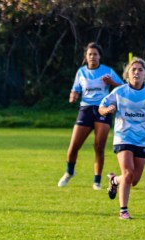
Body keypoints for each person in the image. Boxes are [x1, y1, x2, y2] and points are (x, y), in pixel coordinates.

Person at [98, 57, 145, 220]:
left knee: (133, 180)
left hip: (142, 139)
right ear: (127, 74)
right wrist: (107, 110)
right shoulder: (119, 91)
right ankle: (123, 211)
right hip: (123, 137)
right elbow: (101, 107)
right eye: (133, 70)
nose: (136, 72)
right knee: (128, 173)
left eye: (140, 70)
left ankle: (114, 181)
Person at [58, 42, 121, 190]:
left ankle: (97, 181)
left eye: (95, 54)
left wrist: (111, 82)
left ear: (100, 56)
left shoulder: (107, 71)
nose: (92, 57)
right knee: (74, 146)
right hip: (85, 110)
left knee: (99, 147)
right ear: (86, 57)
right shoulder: (81, 72)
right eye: (90, 54)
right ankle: (69, 172)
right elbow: (75, 89)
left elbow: (124, 88)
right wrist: (73, 96)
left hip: (102, 109)